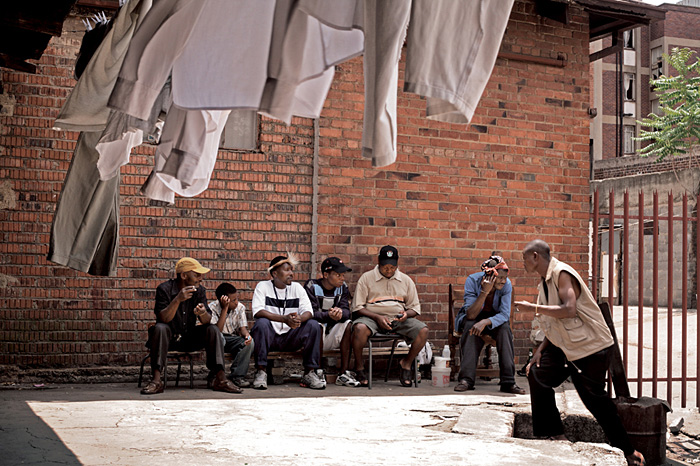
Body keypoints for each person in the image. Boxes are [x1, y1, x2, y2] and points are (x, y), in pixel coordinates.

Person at [515, 240, 646, 466]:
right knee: (537, 374)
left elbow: (568, 310)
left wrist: (532, 308)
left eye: (525, 258)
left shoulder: (562, 274)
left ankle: (628, 451)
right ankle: (555, 434)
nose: (523, 263)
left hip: (590, 348)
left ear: (535, 256)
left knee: (595, 401)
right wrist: (539, 351)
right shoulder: (545, 282)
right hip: (567, 347)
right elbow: (555, 322)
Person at [141, 257, 242, 395]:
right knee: (160, 328)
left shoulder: (199, 291)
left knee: (212, 329)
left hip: (189, 337)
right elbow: (163, 318)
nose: (200, 278)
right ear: (183, 275)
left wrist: (202, 313)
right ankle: (156, 380)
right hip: (168, 339)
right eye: (197, 275)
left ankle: (220, 379)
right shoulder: (164, 289)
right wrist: (177, 299)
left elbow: (207, 320)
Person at [350, 245, 429, 387]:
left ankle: (406, 364)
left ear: (397, 264)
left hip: (397, 319)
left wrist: (406, 314)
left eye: (392, 267)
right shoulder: (366, 278)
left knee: (423, 331)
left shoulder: (405, 280)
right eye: (385, 267)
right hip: (371, 318)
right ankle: (359, 368)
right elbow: (357, 308)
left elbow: (415, 308)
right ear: (378, 262)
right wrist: (377, 317)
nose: (389, 270)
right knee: (359, 328)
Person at [249, 253, 324, 390]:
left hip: (291, 337)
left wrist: (298, 319)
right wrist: (284, 319)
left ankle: (309, 373)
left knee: (313, 325)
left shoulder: (297, 288)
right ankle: (261, 372)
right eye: (287, 270)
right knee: (261, 324)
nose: (291, 274)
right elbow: (258, 311)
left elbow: (309, 312)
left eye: (291, 270)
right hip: (270, 337)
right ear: (275, 273)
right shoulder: (263, 286)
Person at [453, 255, 526, 394]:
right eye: (500, 278)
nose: (503, 281)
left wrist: (486, 322)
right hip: (474, 317)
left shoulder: (507, 285)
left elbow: (504, 315)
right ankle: (466, 380)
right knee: (470, 327)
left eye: (505, 277)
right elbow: (471, 315)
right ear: (490, 276)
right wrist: (484, 292)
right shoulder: (472, 280)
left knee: (505, 329)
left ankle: (508, 382)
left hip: (494, 320)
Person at [304, 256, 359, 387]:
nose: (342, 278)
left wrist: (340, 314)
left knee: (348, 324)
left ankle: (343, 373)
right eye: (338, 275)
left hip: (332, 335)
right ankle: (317, 371)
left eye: (343, 275)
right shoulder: (312, 286)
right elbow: (310, 313)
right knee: (317, 325)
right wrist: (328, 315)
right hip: (315, 337)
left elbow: (347, 311)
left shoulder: (343, 287)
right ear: (325, 275)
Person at [209, 283, 254, 388]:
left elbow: (243, 329)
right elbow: (217, 331)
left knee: (249, 343)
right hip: (217, 339)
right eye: (233, 300)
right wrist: (225, 308)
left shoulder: (240, 307)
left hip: (232, 339)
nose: (236, 302)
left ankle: (237, 376)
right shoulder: (212, 308)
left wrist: (247, 336)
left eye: (237, 299)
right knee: (220, 338)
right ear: (223, 300)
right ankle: (217, 375)